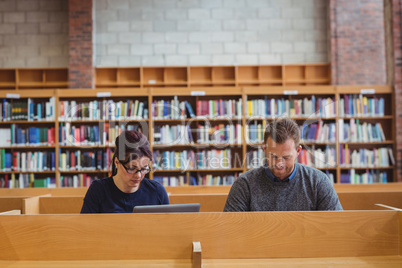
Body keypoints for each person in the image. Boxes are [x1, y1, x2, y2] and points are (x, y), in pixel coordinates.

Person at [224, 117, 342, 212]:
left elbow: (336, 227)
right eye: (273, 156)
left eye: (286, 157)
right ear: (264, 149)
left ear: (298, 151)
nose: (279, 164)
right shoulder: (245, 184)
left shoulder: (318, 182)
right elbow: (230, 231)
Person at [81, 130, 169, 213]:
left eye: (144, 168)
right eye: (132, 168)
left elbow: (168, 227)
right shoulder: (98, 190)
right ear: (117, 162)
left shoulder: (157, 192)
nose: (138, 175)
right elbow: (85, 227)